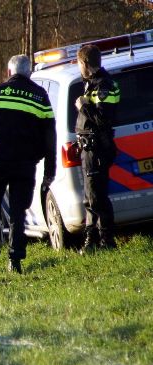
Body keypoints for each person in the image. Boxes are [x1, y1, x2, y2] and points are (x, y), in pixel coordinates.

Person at [0, 54, 56, 279]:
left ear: (9, 72)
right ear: (29, 73)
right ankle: (15, 261)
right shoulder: (40, 96)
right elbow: (50, 138)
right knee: (18, 213)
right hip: (24, 165)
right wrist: (50, 171)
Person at [75, 44, 120, 253]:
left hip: (98, 148)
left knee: (97, 197)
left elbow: (103, 119)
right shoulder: (92, 83)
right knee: (91, 197)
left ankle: (106, 242)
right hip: (89, 148)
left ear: (84, 63)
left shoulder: (103, 85)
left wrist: (83, 106)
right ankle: (92, 241)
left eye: (78, 63)